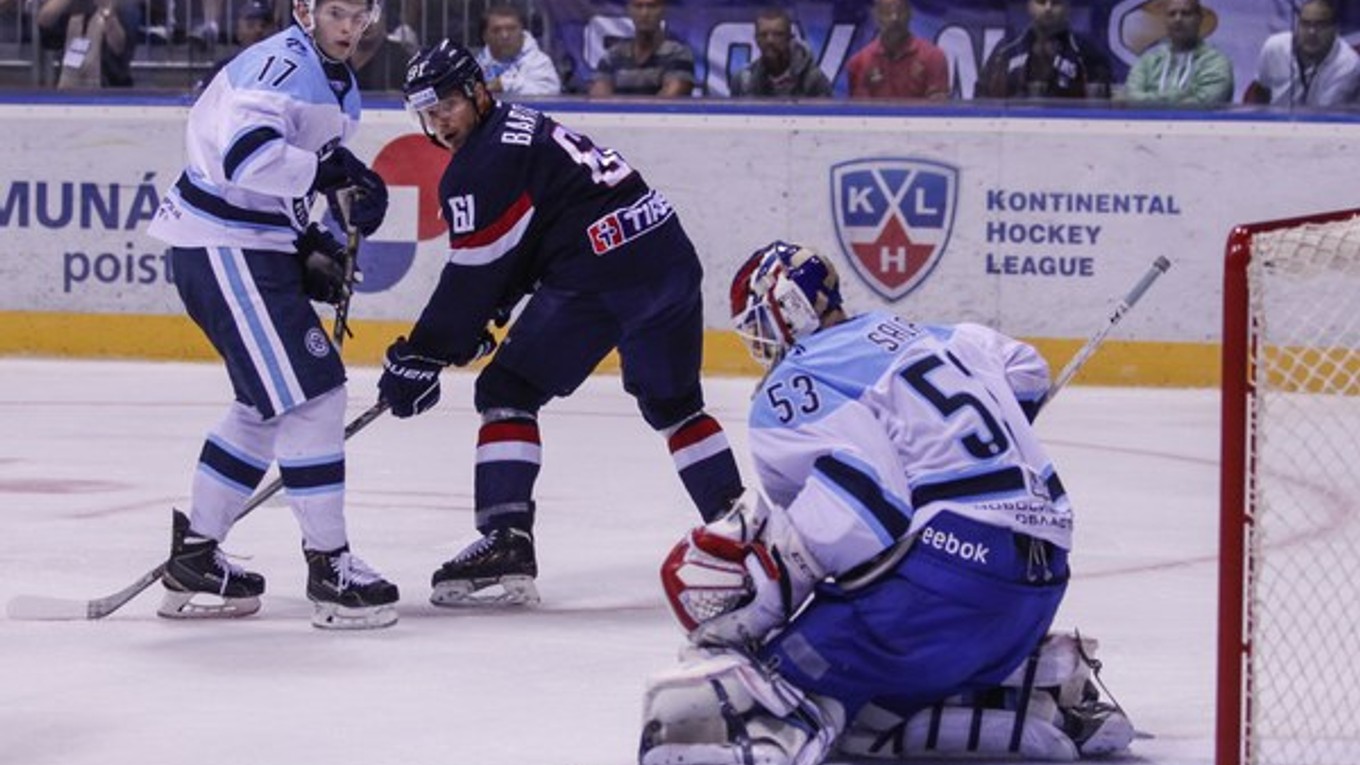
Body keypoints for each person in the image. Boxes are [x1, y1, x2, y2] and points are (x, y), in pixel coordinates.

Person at [637, 242, 1136, 764]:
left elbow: (864, 503)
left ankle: (772, 732)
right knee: (886, 686)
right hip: (1040, 585)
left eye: (761, 323)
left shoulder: (792, 385)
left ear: (789, 307)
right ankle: (1030, 685)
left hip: (945, 591)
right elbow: (1027, 369)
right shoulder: (940, 337)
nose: (760, 341)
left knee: (784, 678)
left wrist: (768, 583)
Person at [382, 40, 744, 607]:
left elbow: (472, 278)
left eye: (447, 105)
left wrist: (424, 353)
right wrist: (488, 313)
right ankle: (738, 532)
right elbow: (531, 236)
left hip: (603, 272)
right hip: (666, 253)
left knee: (507, 391)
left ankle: (506, 538)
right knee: (676, 406)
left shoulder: (480, 164)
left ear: (478, 92)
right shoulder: (519, 125)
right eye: (428, 113)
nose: (440, 123)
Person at [145, 0, 398, 630]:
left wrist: (307, 237)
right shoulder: (281, 66)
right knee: (315, 397)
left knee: (264, 408)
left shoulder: (333, 77)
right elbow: (248, 160)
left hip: (247, 246)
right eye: (337, 12)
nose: (350, 27)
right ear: (305, 11)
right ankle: (330, 568)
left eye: (360, 14)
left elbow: (286, 180)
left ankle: (196, 558)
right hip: (226, 246)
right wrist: (327, 173)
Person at [976, 0, 1112, 100]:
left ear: (1067, 6)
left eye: (1056, 3)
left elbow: (1100, 104)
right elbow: (981, 98)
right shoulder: (1007, 50)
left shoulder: (1086, 53)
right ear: (1029, 5)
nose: (1048, 8)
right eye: (1041, 2)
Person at [1244, 0, 1360, 107]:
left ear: (1335, 29)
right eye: (1305, 24)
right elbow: (1259, 94)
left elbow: (1326, 115)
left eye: (1320, 25)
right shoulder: (1274, 48)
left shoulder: (1348, 65)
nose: (1312, 32)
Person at [1123, 0, 1233, 105]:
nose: (1178, 19)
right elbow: (1132, 98)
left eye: (1186, 13)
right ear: (1165, 20)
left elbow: (1203, 103)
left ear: (1199, 19)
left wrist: (1150, 100)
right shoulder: (1148, 61)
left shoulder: (1215, 62)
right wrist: (1179, 95)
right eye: (1172, 14)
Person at [589, 0, 695, 97]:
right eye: (638, 6)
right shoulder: (613, 56)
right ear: (629, 10)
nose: (645, 13)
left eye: (652, 6)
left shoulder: (677, 55)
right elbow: (600, 101)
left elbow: (669, 103)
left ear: (663, 10)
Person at [845, 0, 947, 100]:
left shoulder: (933, 57)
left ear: (910, 13)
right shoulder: (859, 62)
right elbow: (861, 109)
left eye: (900, 11)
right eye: (887, 12)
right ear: (876, 16)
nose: (894, 18)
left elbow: (938, 107)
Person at [730, 6, 831, 98]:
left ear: (789, 38)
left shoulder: (813, 79)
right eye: (763, 35)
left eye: (778, 34)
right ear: (756, 39)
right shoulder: (743, 82)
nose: (770, 40)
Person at [36, 0, 139, 88]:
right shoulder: (72, 6)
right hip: (69, 88)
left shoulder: (125, 7)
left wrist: (107, 11)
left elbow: (119, 47)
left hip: (109, 89)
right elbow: (45, 21)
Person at [474, 3, 560, 96]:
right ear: (485, 36)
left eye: (511, 29)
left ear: (522, 32)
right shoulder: (475, 64)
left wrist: (505, 85)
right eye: (496, 30)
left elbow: (551, 92)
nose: (505, 36)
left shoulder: (539, 62)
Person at [196, 0, 281, 90]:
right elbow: (201, 93)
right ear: (238, 33)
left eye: (264, 26)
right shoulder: (226, 67)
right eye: (251, 25)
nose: (258, 30)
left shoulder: (283, 68)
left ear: (275, 31)